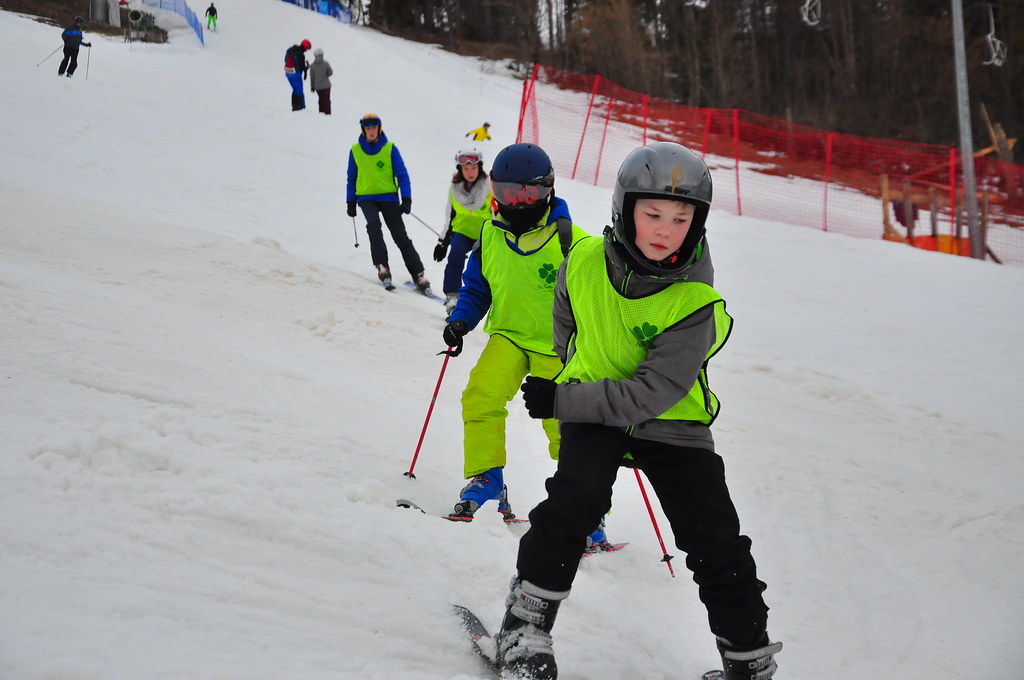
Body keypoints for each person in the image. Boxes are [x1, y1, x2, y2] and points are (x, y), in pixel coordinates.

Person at [488, 142, 783, 680]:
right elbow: (565, 325)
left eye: (681, 216)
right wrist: (579, 375)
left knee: (714, 538)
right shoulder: (580, 260)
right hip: (596, 406)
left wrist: (564, 398)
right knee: (574, 504)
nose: (665, 229)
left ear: (698, 222)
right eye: (652, 214)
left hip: (672, 421)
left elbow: (654, 392)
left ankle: (748, 661)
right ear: (625, 209)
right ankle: (524, 626)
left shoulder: (695, 302)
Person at [441, 143, 599, 536]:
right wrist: (461, 321)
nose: (518, 202)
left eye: (528, 193)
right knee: (480, 395)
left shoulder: (572, 242)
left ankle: (584, 507)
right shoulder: (490, 235)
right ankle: (487, 477)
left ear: (548, 190)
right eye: (508, 192)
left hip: (558, 347)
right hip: (509, 336)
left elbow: (597, 302)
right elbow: (478, 288)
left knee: (566, 427)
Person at [346, 114, 431, 295]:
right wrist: (350, 201)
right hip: (366, 198)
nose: (371, 131)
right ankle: (382, 266)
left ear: (379, 128)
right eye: (367, 128)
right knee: (373, 225)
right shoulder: (355, 150)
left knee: (400, 235)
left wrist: (406, 198)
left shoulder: (390, 148)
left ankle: (418, 273)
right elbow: (351, 178)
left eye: (374, 127)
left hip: (389, 198)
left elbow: (402, 174)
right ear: (363, 130)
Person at [433, 148, 492, 315]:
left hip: (484, 235)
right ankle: (452, 296)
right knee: (455, 256)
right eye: (466, 168)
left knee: (482, 267)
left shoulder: (489, 187)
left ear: (479, 167)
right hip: (462, 232)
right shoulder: (454, 190)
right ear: (460, 170)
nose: (470, 172)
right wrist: (442, 242)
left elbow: (497, 215)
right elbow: (450, 217)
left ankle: (483, 298)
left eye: (473, 167)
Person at [284, 39, 311, 111]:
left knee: (294, 89)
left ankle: (294, 106)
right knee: (299, 90)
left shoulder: (290, 50)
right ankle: (299, 107)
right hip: (296, 74)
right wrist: (307, 67)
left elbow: (285, 60)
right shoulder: (301, 55)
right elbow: (302, 67)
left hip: (288, 73)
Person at [308, 47, 333, 115]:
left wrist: (312, 87)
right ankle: (328, 114)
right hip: (326, 86)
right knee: (326, 100)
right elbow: (330, 73)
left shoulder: (312, 66)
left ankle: (321, 114)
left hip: (317, 87)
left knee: (321, 100)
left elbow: (312, 77)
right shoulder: (326, 63)